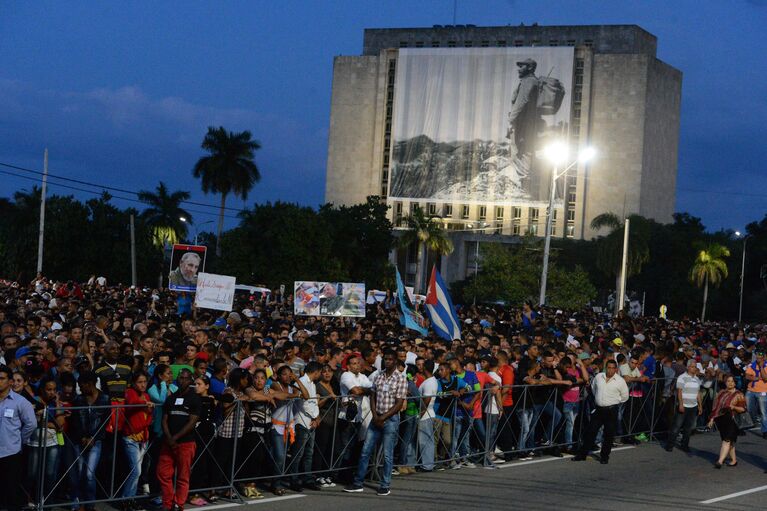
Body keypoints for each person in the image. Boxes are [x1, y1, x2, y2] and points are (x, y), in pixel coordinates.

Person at [344, 349, 406, 496]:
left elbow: (398, 404)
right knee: (365, 451)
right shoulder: (379, 376)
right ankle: (358, 483)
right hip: (376, 417)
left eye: (391, 359)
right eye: (386, 359)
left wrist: (382, 417)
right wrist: (375, 415)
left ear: (395, 361)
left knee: (387, 454)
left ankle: (385, 484)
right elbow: (373, 395)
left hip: (389, 419)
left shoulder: (400, 378)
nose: (387, 361)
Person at [157, 369, 201, 511]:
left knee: (183, 475)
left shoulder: (194, 398)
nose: (182, 381)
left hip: (186, 442)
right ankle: (168, 503)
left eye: (185, 378)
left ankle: (178, 503)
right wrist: (169, 438)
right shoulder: (171, 398)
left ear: (190, 380)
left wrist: (175, 438)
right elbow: (165, 419)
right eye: (180, 378)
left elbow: (192, 422)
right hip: (168, 443)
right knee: (163, 473)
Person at [572, 360, 629, 464]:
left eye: (613, 368)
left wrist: (613, 402)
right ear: (605, 368)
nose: (610, 370)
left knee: (608, 434)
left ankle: (604, 456)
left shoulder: (620, 381)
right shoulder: (599, 377)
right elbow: (594, 389)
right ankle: (582, 454)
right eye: (609, 367)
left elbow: (625, 396)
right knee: (590, 432)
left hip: (611, 410)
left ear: (616, 369)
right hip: (599, 409)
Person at [69, 371, 110, 511]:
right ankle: (79, 503)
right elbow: (75, 421)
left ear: (90, 384)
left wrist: (94, 437)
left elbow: (104, 422)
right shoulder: (78, 400)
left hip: (96, 441)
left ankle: (90, 505)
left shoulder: (105, 399)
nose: (80, 389)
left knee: (89, 474)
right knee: (80, 472)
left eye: (82, 385)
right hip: (79, 440)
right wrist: (82, 437)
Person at [0, 364, 37, 511]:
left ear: (10, 381)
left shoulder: (20, 402)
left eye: (1, 378)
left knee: (12, 494)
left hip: (11, 453)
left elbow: (31, 424)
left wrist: (19, 441)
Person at [121, 371, 154, 510]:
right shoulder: (129, 392)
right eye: (139, 382)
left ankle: (130, 499)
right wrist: (145, 404)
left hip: (143, 438)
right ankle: (125, 499)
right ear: (133, 383)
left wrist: (148, 408)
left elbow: (149, 416)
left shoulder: (146, 395)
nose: (143, 384)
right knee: (136, 471)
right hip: (131, 437)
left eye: (144, 382)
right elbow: (132, 403)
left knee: (137, 471)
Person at [708, 375, 746, 468]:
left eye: (732, 381)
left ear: (735, 383)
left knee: (727, 440)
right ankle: (734, 460)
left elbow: (743, 409)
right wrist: (712, 419)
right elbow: (716, 407)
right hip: (721, 420)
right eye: (728, 381)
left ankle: (720, 461)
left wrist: (733, 407)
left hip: (732, 420)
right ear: (725, 383)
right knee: (730, 442)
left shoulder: (739, 394)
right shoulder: (721, 392)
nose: (730, 383)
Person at [666, 360, 702, 453]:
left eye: (695, 367)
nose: (694, 369)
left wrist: (700, 405)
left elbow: (698, 393)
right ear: (688, 367)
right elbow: (679, 392)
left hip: (693, 406)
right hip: (684, 405)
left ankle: (685, 445)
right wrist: (681, 404)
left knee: (688, 428)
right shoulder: (682, 377)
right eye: (692, 367)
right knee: (676, 426)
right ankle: (670, 444)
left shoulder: (697, 379)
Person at [744, 350, 767, 439]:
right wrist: (756, 378)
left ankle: (765, 431)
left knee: (764, 412)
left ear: (763, 358)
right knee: (749, 408)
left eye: (760, 358)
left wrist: (761, 367)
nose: (758, 359)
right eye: (757, 358)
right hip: (751, 390)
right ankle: (753, 421)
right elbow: (747, 376)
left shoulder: (765, 365)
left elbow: (765, 378)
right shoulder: (752, 365)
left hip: (763, 391)